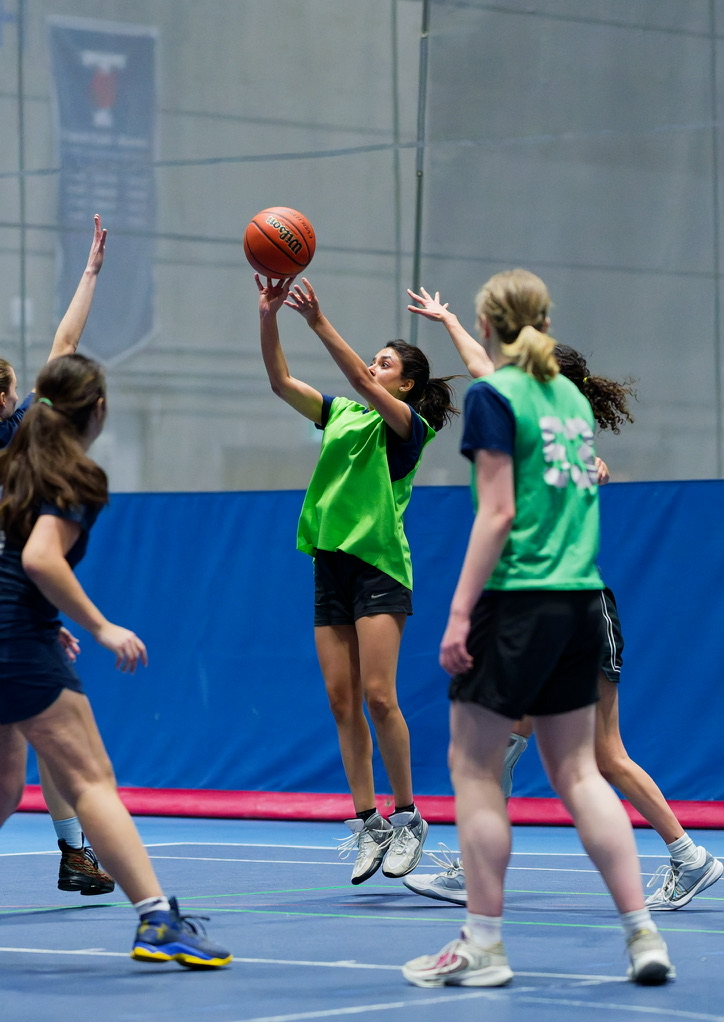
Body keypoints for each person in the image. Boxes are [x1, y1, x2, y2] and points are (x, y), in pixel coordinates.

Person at [402, 288, 722, 912]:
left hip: (570, 605)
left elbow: (486, 390)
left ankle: (689, 856)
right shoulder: (565, 430)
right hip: (555, 606)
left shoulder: (540, 427)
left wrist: (463, 611)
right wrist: (446, 321)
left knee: (600, 755)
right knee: (509, 738)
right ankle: (477, 868)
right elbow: (482, 370)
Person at [0, 352, 232, 967]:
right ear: (97, 410)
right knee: (91, 780)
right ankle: (157, 919)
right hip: (13, 639)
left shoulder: (12, 463)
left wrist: (45, 620)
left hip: (16, 628)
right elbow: (40, 559)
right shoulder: (74, 475)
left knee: (3, 785)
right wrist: (99, 626)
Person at [257, 273, 458, 885]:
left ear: (408, 382)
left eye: (386, 362)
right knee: (342, 701)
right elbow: (279, 382)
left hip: (378, 567)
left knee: (379, 696)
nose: (376, 366)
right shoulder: (341, 415)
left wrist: (318, 321)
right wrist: (269, 315)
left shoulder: (407, 430)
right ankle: (368, 822)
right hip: (330, 564)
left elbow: (359, 381)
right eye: (377, 359)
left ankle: (408, 819)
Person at [0, 215, 114, 895]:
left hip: (16, 605)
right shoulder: (26, 438)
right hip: (15, 607)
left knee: (27, 759)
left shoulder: (23, 435)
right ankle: (93, 863)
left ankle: (77, 853)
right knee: (54, 743)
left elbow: (62, 348)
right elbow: (65, 347)